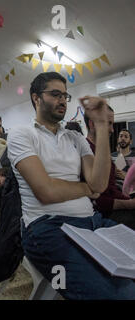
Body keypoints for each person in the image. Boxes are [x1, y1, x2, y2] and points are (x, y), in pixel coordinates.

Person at [7, 71, 135, 299]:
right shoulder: (21, 135)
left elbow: (99, 182)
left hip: (92, 222)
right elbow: (46, 192)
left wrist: (102, 125)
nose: (62, 101)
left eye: (65, 96)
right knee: (119, 294)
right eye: (55, 94)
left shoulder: (75, 139)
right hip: (47, 227)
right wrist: (87, 190)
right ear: (36, 98)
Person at [84, 108, 135, 230]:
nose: (112, 130)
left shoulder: (101, 153)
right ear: (92, 124)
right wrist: (129, 204)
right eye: (109, 124)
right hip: (105, 214)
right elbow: (98, 200)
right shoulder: (87, 153)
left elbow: (111, 189)